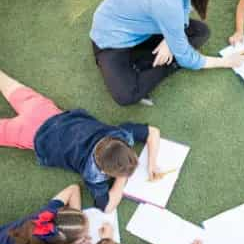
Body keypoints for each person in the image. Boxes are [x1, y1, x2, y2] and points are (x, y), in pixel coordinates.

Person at [0, 70, 162, 212]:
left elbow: (153, 132)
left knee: (6, 84)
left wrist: (151, 163)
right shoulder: (93, 173)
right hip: (32, 135)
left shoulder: (119, 134)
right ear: (104, 172)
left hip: (44, 111)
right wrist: (122, 177)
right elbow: (107, 207)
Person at [90, 0, 244, 106]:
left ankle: (155, 55)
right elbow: (187, 57)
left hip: (146, 26)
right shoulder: (166, 1)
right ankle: (170, 64)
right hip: (111, 40)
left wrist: (168, 41)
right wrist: (226, 62)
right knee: (127, 95)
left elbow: (184, 7)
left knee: (201, 32)